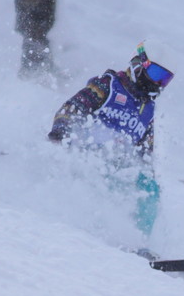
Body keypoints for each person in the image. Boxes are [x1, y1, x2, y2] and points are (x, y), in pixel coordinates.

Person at [47, 40, 175, 238]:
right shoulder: (108, 86)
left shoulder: (147, 111)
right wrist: (60, 132)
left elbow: (146, 154)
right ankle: (93, 227)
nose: (158, 84)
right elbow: (72, 107)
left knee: (149, 186)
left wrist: (146, 174)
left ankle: (139, 240)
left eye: (165, 79)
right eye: (157, 74)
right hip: (86, 159)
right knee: (104, 180)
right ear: (139, 64)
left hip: (118, 169)